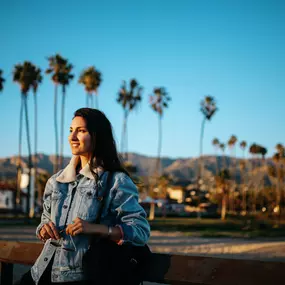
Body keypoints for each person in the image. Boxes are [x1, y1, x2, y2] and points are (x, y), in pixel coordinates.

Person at [16, 108, 150, 285]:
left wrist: (96, 228)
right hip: (40, 274)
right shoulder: (56, 181)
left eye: (81, 131)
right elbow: (45, 219)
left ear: (97, 136)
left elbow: (141, 231)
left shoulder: (116, 182)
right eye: (71, 130)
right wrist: (43, 229)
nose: (72, 137)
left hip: (82, 276)